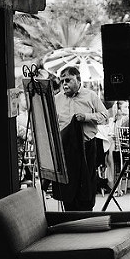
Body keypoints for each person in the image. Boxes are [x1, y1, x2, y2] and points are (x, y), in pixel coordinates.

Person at [52, 66, 109, 211]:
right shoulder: (56, 99)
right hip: (66, 149)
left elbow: (105, 117)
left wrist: (87, 117)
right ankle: (69, 216)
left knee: (86, 183)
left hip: (87, 146)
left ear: (78, 80)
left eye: (68, 80)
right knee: (68, 185)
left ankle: (86, 214)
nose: (64, 84)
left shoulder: (90, 96)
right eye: (62, 80)